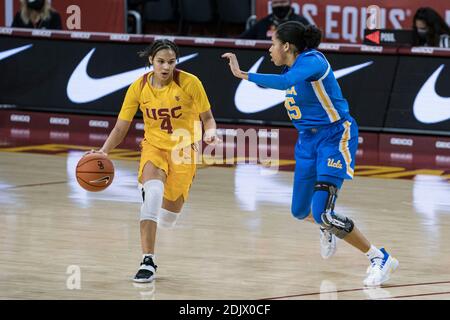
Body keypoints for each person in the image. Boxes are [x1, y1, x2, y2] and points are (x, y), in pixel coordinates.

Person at [222, 21, 398, 287]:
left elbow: (285, 82)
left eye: (273, 43)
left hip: (335, 136)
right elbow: (287, 78)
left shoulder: (313, 61)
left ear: (287, 46)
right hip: (307, 143)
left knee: (323, 212)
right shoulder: (292, 66)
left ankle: (379, 257)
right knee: (300, 211)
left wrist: (243, 74)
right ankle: (326, 225)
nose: (269, 49)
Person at [89, 39, 219, 283]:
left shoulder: (190, 83)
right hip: (154, 147)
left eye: (171, 62)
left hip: (184, 150)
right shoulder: (138, 87)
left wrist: (210, 132)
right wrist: (104, 151)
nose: (166, 67)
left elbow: (208, 118)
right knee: (153, 194)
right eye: (160, 61)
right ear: (151, 61)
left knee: (168, 219)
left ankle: (151, 196)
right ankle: (147, 260)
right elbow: (120, 127)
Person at [240, 0, 310, 40]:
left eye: (283, 2)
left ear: (289, 2)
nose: (279, 5)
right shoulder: (263, 23)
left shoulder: (301, 22)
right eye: (276, 3)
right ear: (271, 4)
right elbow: (240, 40)